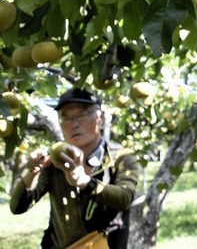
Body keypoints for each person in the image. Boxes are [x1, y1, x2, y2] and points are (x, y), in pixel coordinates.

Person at [9, 87, 141, 249]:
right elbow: (18, 207)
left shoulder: (120, 158)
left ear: (99, 117)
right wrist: (33, 172)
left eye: (81, 116)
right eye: (66, 118)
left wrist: (83, 181)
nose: (74, 124)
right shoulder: (56, 161)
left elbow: (125, 198)